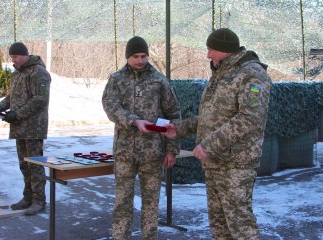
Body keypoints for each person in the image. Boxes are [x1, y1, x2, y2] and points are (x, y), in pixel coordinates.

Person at [163, 28, 271, 239]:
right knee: (219, 225)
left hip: (235, 164)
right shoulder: (221, 73)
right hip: (215, 162)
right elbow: (212, 118)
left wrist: (209, 145)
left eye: (211, 49)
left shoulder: (253, 75)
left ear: (225, 50)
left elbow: (249, 118)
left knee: (240, 225)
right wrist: (180, 127)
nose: (208, 54)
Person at [102, 36, 181, 240]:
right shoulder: (116, 79)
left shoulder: (159, 80)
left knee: (151, 204)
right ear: (128, 56)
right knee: (122, 203)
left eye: (143, 56)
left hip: (153, 153)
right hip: (125, 153)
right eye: (135, 56)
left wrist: (172, 149)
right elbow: (110, 107)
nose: (140, 60)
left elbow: (174, 115)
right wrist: (133, 120)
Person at [0, 42, 51, 215]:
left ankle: (39, 201)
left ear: (25, 55)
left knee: (35, 165)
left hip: (33, 127)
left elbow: (39, 100)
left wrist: (17, 114)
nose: (13, 60)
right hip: (19, 127)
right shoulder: (17, 73)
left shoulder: (39, 73)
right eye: (12, 57)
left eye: (16, 56)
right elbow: (11, 97)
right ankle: (28, 198)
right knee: (24, 165)